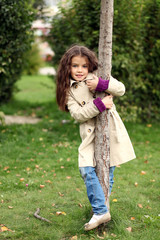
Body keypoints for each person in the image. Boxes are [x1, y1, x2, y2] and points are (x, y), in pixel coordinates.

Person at [56, 45, 136, 231]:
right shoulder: (69, 90)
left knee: (107, 173)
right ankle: (101, 211)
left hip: (109, 131)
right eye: (75, 66)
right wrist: (99, 103)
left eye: (84, 66)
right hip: (90, 136)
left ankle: (101, 210)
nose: (79, 70)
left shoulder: (98, 74)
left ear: (89, 66)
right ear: (67, 67)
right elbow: (77, 114)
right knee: (86, 169)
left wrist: (102, 85)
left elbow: (121, 89)